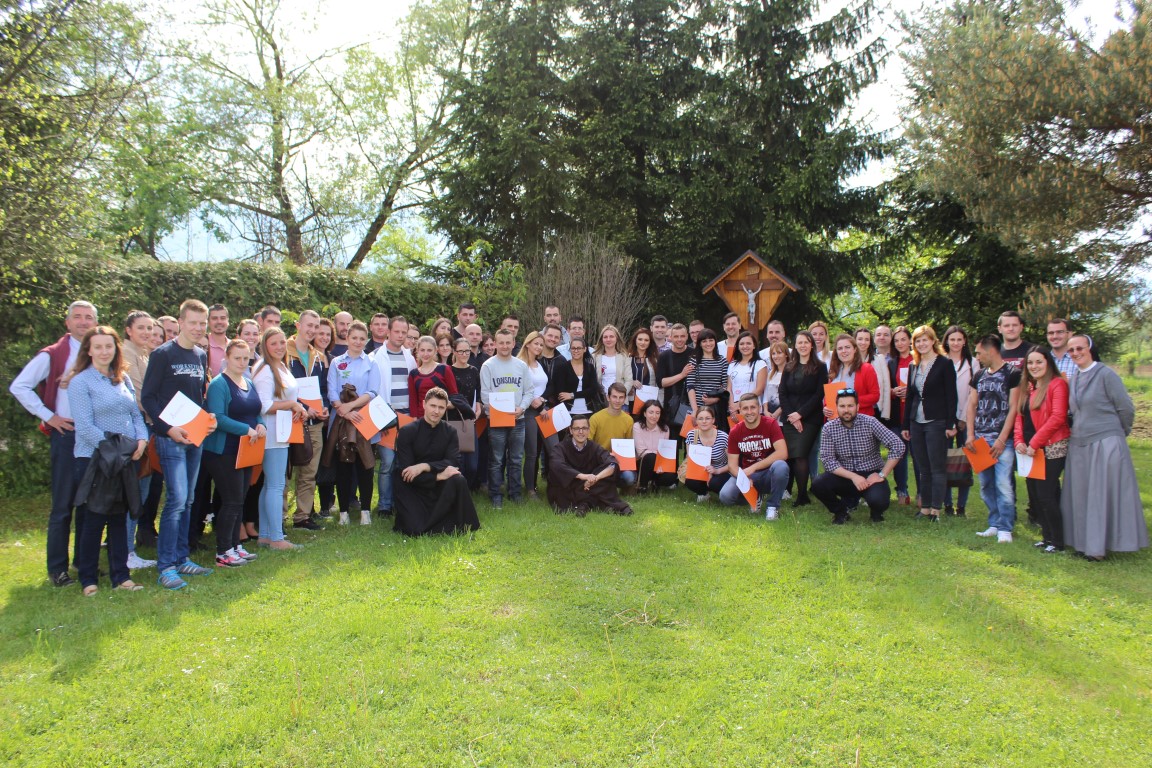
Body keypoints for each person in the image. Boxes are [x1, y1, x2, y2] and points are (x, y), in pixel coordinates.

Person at [9, 300, 98, 586]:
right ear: (67, 322)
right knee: (63, 506)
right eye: (78, 317)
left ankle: (84, 562)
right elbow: (19, 386)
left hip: (94, 437)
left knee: (89, 504)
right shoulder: (54, 354)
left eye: (89, 317)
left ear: (95, 323)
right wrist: (49, 416)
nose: (83, 322)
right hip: (67, 435)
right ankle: (57, 569)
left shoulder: (100, 351)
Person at [67, 326, 149, 595]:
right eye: (98, 347)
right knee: (94, 519)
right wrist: (116, 450)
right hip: (94, 459)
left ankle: (121, 576)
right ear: (89, 350)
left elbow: (135, 415)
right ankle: (88, 579)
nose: (104, 351)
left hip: (124, 459)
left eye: (108, 346)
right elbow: (84, 426)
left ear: (116, 349)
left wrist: (141, 440)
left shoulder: (122, 379)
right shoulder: (81, 382)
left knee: (118, 518)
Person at [141, 299, 217, 590]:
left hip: (195, 437)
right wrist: (168, 429)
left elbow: (199, 396)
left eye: (202, 323)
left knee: (188, 500)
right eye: (193, 322)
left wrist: (208, 417)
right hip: (170, 438)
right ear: (181, 322)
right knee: (176, 500)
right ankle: (166, 567)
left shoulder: (200, 354)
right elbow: (148, 398)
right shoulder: (162, 354)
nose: (198, 328)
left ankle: (182, 558)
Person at [1061, 335, 1148, 560]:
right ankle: (1083, 543)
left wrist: (1117, 433)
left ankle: (1098, 549)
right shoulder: (1075, 377)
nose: (1076, 353)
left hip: (1105, 442)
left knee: (1100, 495)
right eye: (1071, 350)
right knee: (1082, 495)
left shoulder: (1106, 374)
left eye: (1080, 348)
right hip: (1079, 443)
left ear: (1090, 348)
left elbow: (1126, 408)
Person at [202, 339, 264, 568]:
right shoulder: (219, 384)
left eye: (245, 358)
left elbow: (255, 410)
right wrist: (246, 429)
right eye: (237, 358)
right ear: (226, 358)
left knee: (240, 499)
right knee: (230, 500)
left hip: (245, 449)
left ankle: (235, 545)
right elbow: (217, 417)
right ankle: (223, 551)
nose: (241, 362)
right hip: (223, 451)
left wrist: (260, 424)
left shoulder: (249, 382)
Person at [393, 387, 481, 537]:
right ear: (424, 404)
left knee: (458, 478)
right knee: (415, 530)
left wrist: (425, 466)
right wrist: (437, 475)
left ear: (446, 408)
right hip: (413, 487)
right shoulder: (407, 431)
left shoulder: (450, 431)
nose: (436, 411)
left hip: (440, 488)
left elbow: (453, 461)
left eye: (441, 407)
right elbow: (407, 471)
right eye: (433, 406)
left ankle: (461, 522)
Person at [812, 389, 905, 524]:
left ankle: (876, 513)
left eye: (850, 406)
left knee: (879, 500)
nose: (846, 410)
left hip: (870, 475)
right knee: (818, 484)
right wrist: (853, 477)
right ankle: (841, 512)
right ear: (837, 407)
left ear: (858, 407)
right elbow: (827, 460)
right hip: (845, 475)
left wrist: (882, 474)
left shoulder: (870, 422)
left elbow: (898, 445)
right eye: (842, 406)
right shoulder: (829, 428)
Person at [967, 334, 1022, 544]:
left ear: (991, 351)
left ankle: (1006, 528)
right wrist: (970, 435)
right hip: (980, 440)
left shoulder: (1013, 374)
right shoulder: (979, 375)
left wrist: (1002, 439)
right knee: (986, 485)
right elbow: (972, 405)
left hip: (1002, 441)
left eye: (979, 353)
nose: (977, 357)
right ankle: (994, 523)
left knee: (1003, 484)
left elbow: (1013, 407)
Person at [252, 327, 304, 550]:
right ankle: (276, 538)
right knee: (276, 486)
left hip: (282, 432)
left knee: (270, 485)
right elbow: (263, 405)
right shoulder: (265, 370)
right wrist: (292, 404)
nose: (279, 347)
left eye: (282, 342)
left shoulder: (281, 365)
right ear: (265, 345)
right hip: (272, 435)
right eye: (273, 343)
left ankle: (265, 535)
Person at [1014, 347, 1070, 553]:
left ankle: (1058, 542)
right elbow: (1019, 417)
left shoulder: (1057, 384)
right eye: (1030, 363)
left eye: (1039, 362)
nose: (1034, 366)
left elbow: (1058, 417)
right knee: (1037, 496)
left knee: (1047, 494)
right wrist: (1018, 441)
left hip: (1052, 447)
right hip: (1030, 450)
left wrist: (1035, 442)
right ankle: (1047, 538)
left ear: (1048, 363)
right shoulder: (1029, 387)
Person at [901, 326, 958, 522]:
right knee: (922, 467)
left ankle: (936, 509)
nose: (921, 344)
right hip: (916, 422)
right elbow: (910, 396)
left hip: (936, 421)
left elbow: (952, 396)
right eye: (918, 341)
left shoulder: (944, 363)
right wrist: (906, 425)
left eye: (925, 340)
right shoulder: (913, 365)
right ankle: (925, 507)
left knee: (937, 467)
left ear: (933, 341)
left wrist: (950, 424)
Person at [326, 321, 381, 525]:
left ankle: (365, 511)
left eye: (361, 338)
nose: (358, 342)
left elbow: (372, 391)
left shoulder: (371, 363)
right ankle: (343, 512)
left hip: (364, 419)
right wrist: (343, 410)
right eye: (354, 338)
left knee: (365, 465)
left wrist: (351, 407)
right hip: (342, 421)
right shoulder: (336, 362)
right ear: (347, 338)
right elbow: (332, 390)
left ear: (366, 340)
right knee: (344, 466)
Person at [120, 310, 158, 569]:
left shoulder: (143, 354)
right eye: (141, 328)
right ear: (128, 330)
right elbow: (141, 397)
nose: (147, 333)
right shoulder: (126, 354)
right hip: (136, 432)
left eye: (149, 328)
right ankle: (125, 551)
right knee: (133, 493)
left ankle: (127, 548)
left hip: (146, 429)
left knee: (140, 492)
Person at [480, 328, 533, 508]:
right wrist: (498, 411)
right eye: (501, 342)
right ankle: (495, 494)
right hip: (496, 420)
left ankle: (515, 493)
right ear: (495, 344)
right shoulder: (488, 366)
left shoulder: (521, 366)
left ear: (513, 343)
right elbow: (485, 394)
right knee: (496, 459)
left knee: (516, 458)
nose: (504, 346)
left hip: (518, 419)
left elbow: (529, 391)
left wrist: (522, 407)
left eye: (507, 342)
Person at [286, 310, 329, 531]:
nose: (312, 330)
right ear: (298, 325)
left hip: (314, 423)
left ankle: (302, 516)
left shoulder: (319, 357)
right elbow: (280, 389)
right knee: (285, 472)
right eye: (308, 325)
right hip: (289, 420)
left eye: (315, 326)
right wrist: (304, 408)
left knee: (309, 471)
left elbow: (323, 389)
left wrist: (324, 407)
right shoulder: (284, 353)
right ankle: (279, 516)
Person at [371, 316, 416, 519]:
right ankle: (384, 505)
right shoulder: (375, 356)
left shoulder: (409, 357)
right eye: (396, 331)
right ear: (388, 332)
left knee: (402, 463)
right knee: (387, 463)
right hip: (386, 416)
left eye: (403, 332)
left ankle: (400, 503)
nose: (400, 336)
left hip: (406, 416)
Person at [720, 393, 790, 519]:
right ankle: (754, 497)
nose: (749, 412)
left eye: (753, 407)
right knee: (726, 496)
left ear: (759, 408)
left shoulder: (770, 424)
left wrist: (754, 467)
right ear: (740, 410)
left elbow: (783, 453)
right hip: (747, 475)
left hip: (768, 473)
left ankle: (772, 507)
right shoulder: (735, 431)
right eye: (745, 408)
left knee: (781, 466)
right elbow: (732, 466)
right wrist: (743, 479)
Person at [546, 415, 633, 516]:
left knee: (605, 476)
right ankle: (591, 504)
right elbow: (556, 465)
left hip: (590, 484)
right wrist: (583, 476)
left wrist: (595, 478)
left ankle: (585, 504)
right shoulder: (560, 448)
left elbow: (612, 464)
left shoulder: (594, 447)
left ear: (588, 430)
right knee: (559, 479)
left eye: (584, 428)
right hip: (571, 484)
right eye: (577, 428)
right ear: (571, 430)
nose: (581, 432)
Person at [778, 330, 827, 506]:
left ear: (811, 345)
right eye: (800, 342)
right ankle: (794, 492)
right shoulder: (789, 367)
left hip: (810, 418)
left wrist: (800, 414)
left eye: (806, 342)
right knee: (791, 456)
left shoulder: (820, 367)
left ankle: (802, 495)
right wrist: (792, 415)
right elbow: (782, 392)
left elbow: (819, 393)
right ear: (795, 346)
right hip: (789, 418)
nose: (803, 345)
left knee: (800, 455)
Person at [943, 325, 979, 516]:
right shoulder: (940, 361)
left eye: (959, 339)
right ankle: (947, 504)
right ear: (946, 341)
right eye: (952, 339)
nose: (956, 343)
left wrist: (963, 420)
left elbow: (974, 394)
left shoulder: (973, 363)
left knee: (966, 462)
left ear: (965, 341)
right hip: (945, 420)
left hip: (967, 419)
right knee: (945, 461)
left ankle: (961, 506)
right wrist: (950, 421)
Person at [518, 331, 553, 499]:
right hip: (529, 412)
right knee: (532, 453)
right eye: (536, 343)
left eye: (541, 344)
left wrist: (543, 400)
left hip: (544, 410)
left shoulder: (540, 364)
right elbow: (522, 390)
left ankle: (556, 485)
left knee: (554, 449)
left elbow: (545, 386)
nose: (539, 347)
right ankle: (531, 489)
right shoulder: (520, 364)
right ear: (527, 344)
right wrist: (537, 405)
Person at [449, 336, 482, 488]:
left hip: (469, 420)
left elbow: (478, 394)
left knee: (472, 465)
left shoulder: (474, 371)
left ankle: (467, 488)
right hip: (451, 420)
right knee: (457, 461)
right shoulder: (448, 371)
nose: (464, 354)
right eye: (461, 351)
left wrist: (478, 408)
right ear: (454, 352)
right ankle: (458, 492)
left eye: (467, 351)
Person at [589, 382, 637, 486]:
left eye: (621, 397)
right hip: (599, 460)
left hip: (619, 461)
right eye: (614, 397)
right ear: (608, 397)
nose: (617, 401)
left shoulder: (628, 420)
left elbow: (629, 445)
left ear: (624, 399)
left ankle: (612, 484)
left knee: (629, 478)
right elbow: (588, 444)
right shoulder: (595, 418)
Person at [888, 326, 915, 505]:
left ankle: (922, 494)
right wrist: (893, 391)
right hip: (897, 415)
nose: (900, 343)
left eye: (903, 339)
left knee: (918, 456)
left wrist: (910, 391)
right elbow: (885, 387)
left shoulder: (918, 360)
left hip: (915, 414)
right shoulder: (891, 362)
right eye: (896, 340)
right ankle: (902, 491)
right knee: (899, 452)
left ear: (910, 341)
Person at [546, 337, 603, 417]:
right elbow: (560, 393)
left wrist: (572, 395)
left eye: (579, 348)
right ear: (570, 350)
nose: (576, 351)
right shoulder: (562, 368)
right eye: (573, 348)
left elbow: (593, 389)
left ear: (584, 349)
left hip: (589, 411)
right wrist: (584, 393)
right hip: (567, 412)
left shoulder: (590, 367)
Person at [826, 333, 880, 417]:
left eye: (847, 347)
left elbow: (875, 396)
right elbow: (829, 397)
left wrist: (851, 402)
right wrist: (826, 408)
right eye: (840, 348)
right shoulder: (834, 370)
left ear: (855, 349)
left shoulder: (866, 368)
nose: (844, 351)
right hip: (837, 420)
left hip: (860, 419)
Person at [683, 405, 730, 501]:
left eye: (707, 418)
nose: (704, 421)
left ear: (713, 420)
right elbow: (690, 459)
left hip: (721, 470)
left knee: (715, 484)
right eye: (700, 419)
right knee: (690, 480)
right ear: (696, 421)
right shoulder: (691, 435)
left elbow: (733, 464)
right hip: (700, 470)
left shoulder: (724, 437)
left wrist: (716, 471)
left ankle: (718, 489)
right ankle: (703, 493)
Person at [408, 335, 458, 419]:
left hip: (442, 419)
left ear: (435, 350)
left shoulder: (444, 369)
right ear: (417, 350)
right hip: (422, 419)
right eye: (422, 350)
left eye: (429, 350)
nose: (425, 354)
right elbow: (413, 401)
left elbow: (454, 395)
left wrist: (443, 405)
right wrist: (415, 420)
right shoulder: (413, 374)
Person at [657, 323, 695, 431]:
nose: (679, 339)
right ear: (670, 337)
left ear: (687, 336)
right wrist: (682, 375)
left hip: (693, 405)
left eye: (682, 336)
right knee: (673, 441)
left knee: (692, 439)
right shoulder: (664, 356)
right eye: (676, 336)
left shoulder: (694, 354)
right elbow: (661, 383)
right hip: (672, 407)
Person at [632, 400, 676, 492]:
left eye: (657, 413)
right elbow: (641, 451)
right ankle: (642, 486)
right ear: (645, 413)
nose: (654, 416)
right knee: (650, 457)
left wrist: (661, 463)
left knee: (671, 477)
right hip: (642, 462)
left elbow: (664, 451)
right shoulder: (637, 426)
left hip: (658, 463)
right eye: (651, 412)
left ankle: (655, 483)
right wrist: (658, 457)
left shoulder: (665, 429)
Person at [685, 329, 728, 419]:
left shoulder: (722, 361)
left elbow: (725, 386)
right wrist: (695, 410)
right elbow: (690, 386)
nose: (708, 344)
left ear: (715, 342)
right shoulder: (694, 360)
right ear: (700, 344)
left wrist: (715, 399)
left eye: (711, 340)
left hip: (716, 408)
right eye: (704, 341)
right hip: (697, 408)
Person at [727, 331, 767, 422]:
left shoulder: (760, 364)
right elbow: (729, 388)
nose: (745, 346)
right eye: (742, 344)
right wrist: (732, 407)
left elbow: (759, 389)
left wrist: (740, 404)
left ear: (754, 346)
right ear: (737, 346)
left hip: (753, 409)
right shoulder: (732, 365)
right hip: (736, 411)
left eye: (748, 343)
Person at [856, 328, 891, 422]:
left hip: (876, 409)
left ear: (870, 342)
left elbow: (886, 387)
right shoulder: (848, 361)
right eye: (860, 339)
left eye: (867, 339)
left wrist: (885, 413)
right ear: (854, 341)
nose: (863, 342)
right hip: (855, 409)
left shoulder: (879, 359)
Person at [593, 323, 633, 399]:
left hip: (620, 400)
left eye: (611, 336)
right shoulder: (595, 357)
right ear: (602, 339)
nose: (608, 339)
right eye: (605, 337)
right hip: (601, 400)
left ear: (616, 338)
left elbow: (629, 380)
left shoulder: (624, 357)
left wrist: (619, 396)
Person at [627, 327, 658, 411]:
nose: (643, 342)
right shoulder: (627, 358)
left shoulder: (655, 360)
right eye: (640, 339)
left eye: (646, 340)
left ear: (650, 342)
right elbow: (621, 377)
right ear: (635, 340)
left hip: (649, 401)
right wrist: (631, 382)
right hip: (630, 399)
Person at [760, 341, 788, 422]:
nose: (776, 356)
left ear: (786, 354)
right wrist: (765, 411)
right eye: (773, 353)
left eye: (779, 353)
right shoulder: (770, 374)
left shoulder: (790, 373)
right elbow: (765, 394)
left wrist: (777, 413)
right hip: (769, 417)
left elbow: (790, 396)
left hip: (784, 418)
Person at [205, 304, 230, 376]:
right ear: (208, 322)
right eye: (214, 318)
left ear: (227, 320)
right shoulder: (203, 346)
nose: (219, 322)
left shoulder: (233, 345)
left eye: (223, 318)